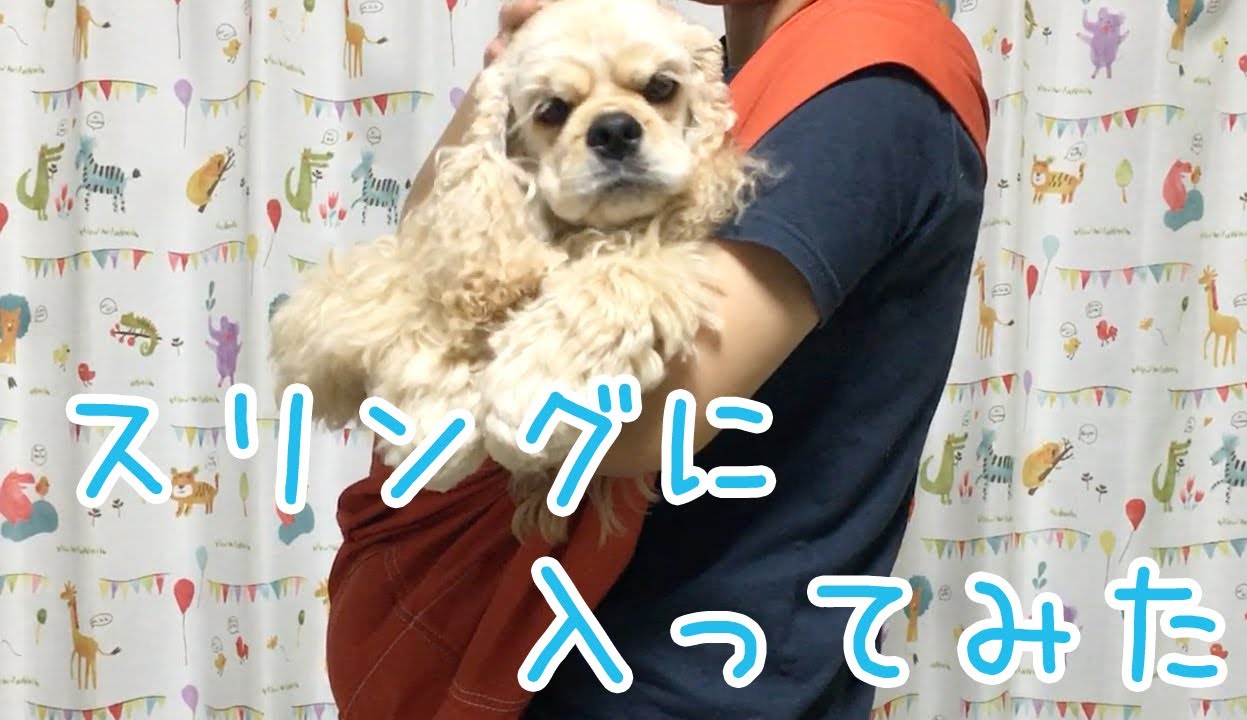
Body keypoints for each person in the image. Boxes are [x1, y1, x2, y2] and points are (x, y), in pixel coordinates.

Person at [347, 0, 991, 717]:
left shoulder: (868, 81)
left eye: (652, 91)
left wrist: (430, 367)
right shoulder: (706, 72)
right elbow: (433, 259)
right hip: (571, 651)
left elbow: (620, 426)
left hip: (686, 676)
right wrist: (516, 67)